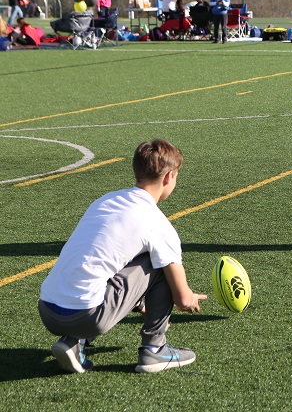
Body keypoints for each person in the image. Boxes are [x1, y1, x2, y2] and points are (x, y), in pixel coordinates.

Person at [38, 139, 205, 374]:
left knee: (105, 264)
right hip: (87, 315)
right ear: (168, 177)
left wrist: (136, 302)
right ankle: (154, 350)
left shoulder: (105, 200)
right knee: (160, 264)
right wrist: (190, 297)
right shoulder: (157, 222)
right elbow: (182, 299)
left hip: (47, 309)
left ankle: (74, 342)